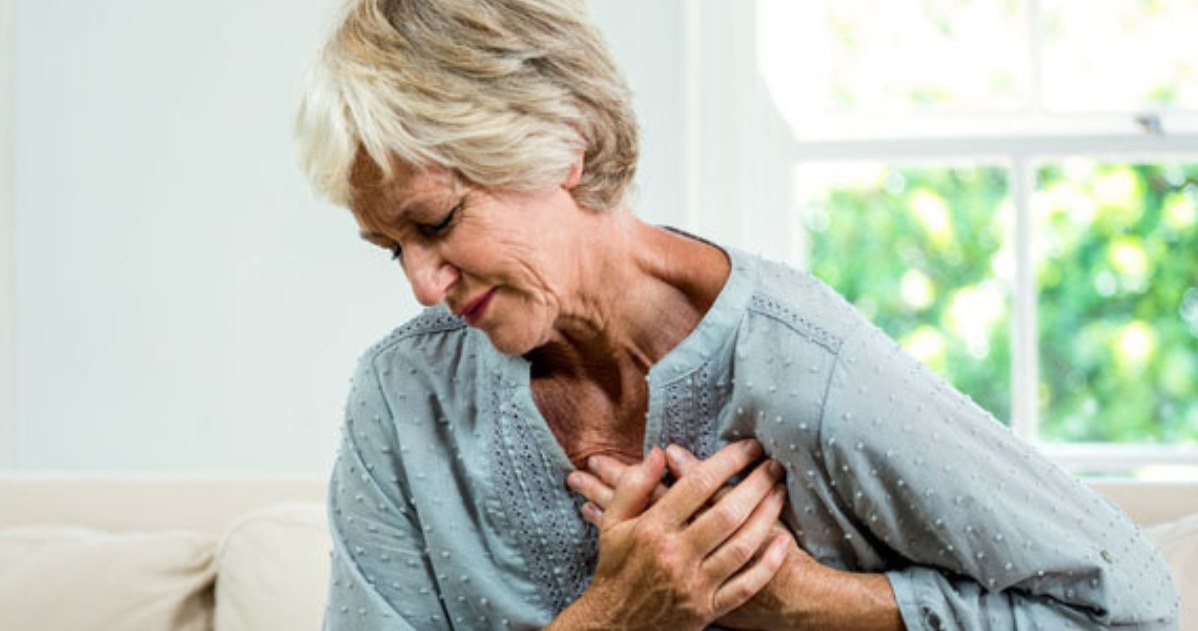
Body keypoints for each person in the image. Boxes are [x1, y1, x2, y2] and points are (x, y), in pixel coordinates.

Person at [294, 0, 1180, 629]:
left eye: (437, 222)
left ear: (561, 139)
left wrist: (810, 605)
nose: (420, 282)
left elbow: (1134, 605)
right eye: (390, 247)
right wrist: (620, 617)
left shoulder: (800, 369)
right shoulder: (404, 398)